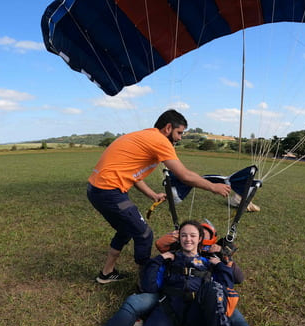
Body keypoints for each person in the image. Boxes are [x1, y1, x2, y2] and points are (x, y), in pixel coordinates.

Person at [59, 221, 292, 326]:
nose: (188, 239)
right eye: (184, 236)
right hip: (169, 312)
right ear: (179, 238)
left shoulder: (211, 261)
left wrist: (225, 259)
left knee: (224, 302)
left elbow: (237, 278)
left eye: (194, 236)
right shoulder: (169, 258)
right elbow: (149, 284)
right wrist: (160, 259)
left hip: (200, 316)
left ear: (201, 239)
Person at [87, 109, 231, 284]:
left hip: (97, 190)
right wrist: (213, 187)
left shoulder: (146, 136)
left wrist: (152, 194)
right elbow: (184, 175)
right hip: (108, 191)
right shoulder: (159, 140)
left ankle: (106, 273)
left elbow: (134, 175)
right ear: (168, 128)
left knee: (126, 230)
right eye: (179, 133)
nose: (179, 138)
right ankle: (147, 280)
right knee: (144, 234)